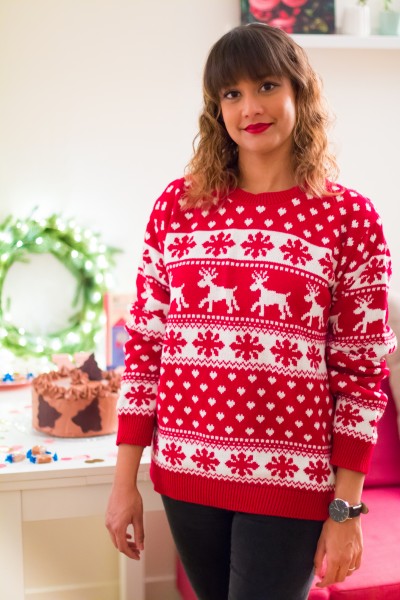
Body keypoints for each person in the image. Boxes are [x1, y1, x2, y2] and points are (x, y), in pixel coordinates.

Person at [106, 23, 396, 600]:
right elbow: (145, 346)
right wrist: (124, 482)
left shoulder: (350, 219)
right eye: (232, 93)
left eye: (266, 85)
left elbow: (362, 374)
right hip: (186, 474)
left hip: (291, 483)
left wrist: (345, 510)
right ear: (217, 109)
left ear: (299, 93)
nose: (250, 108)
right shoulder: (177, 208)